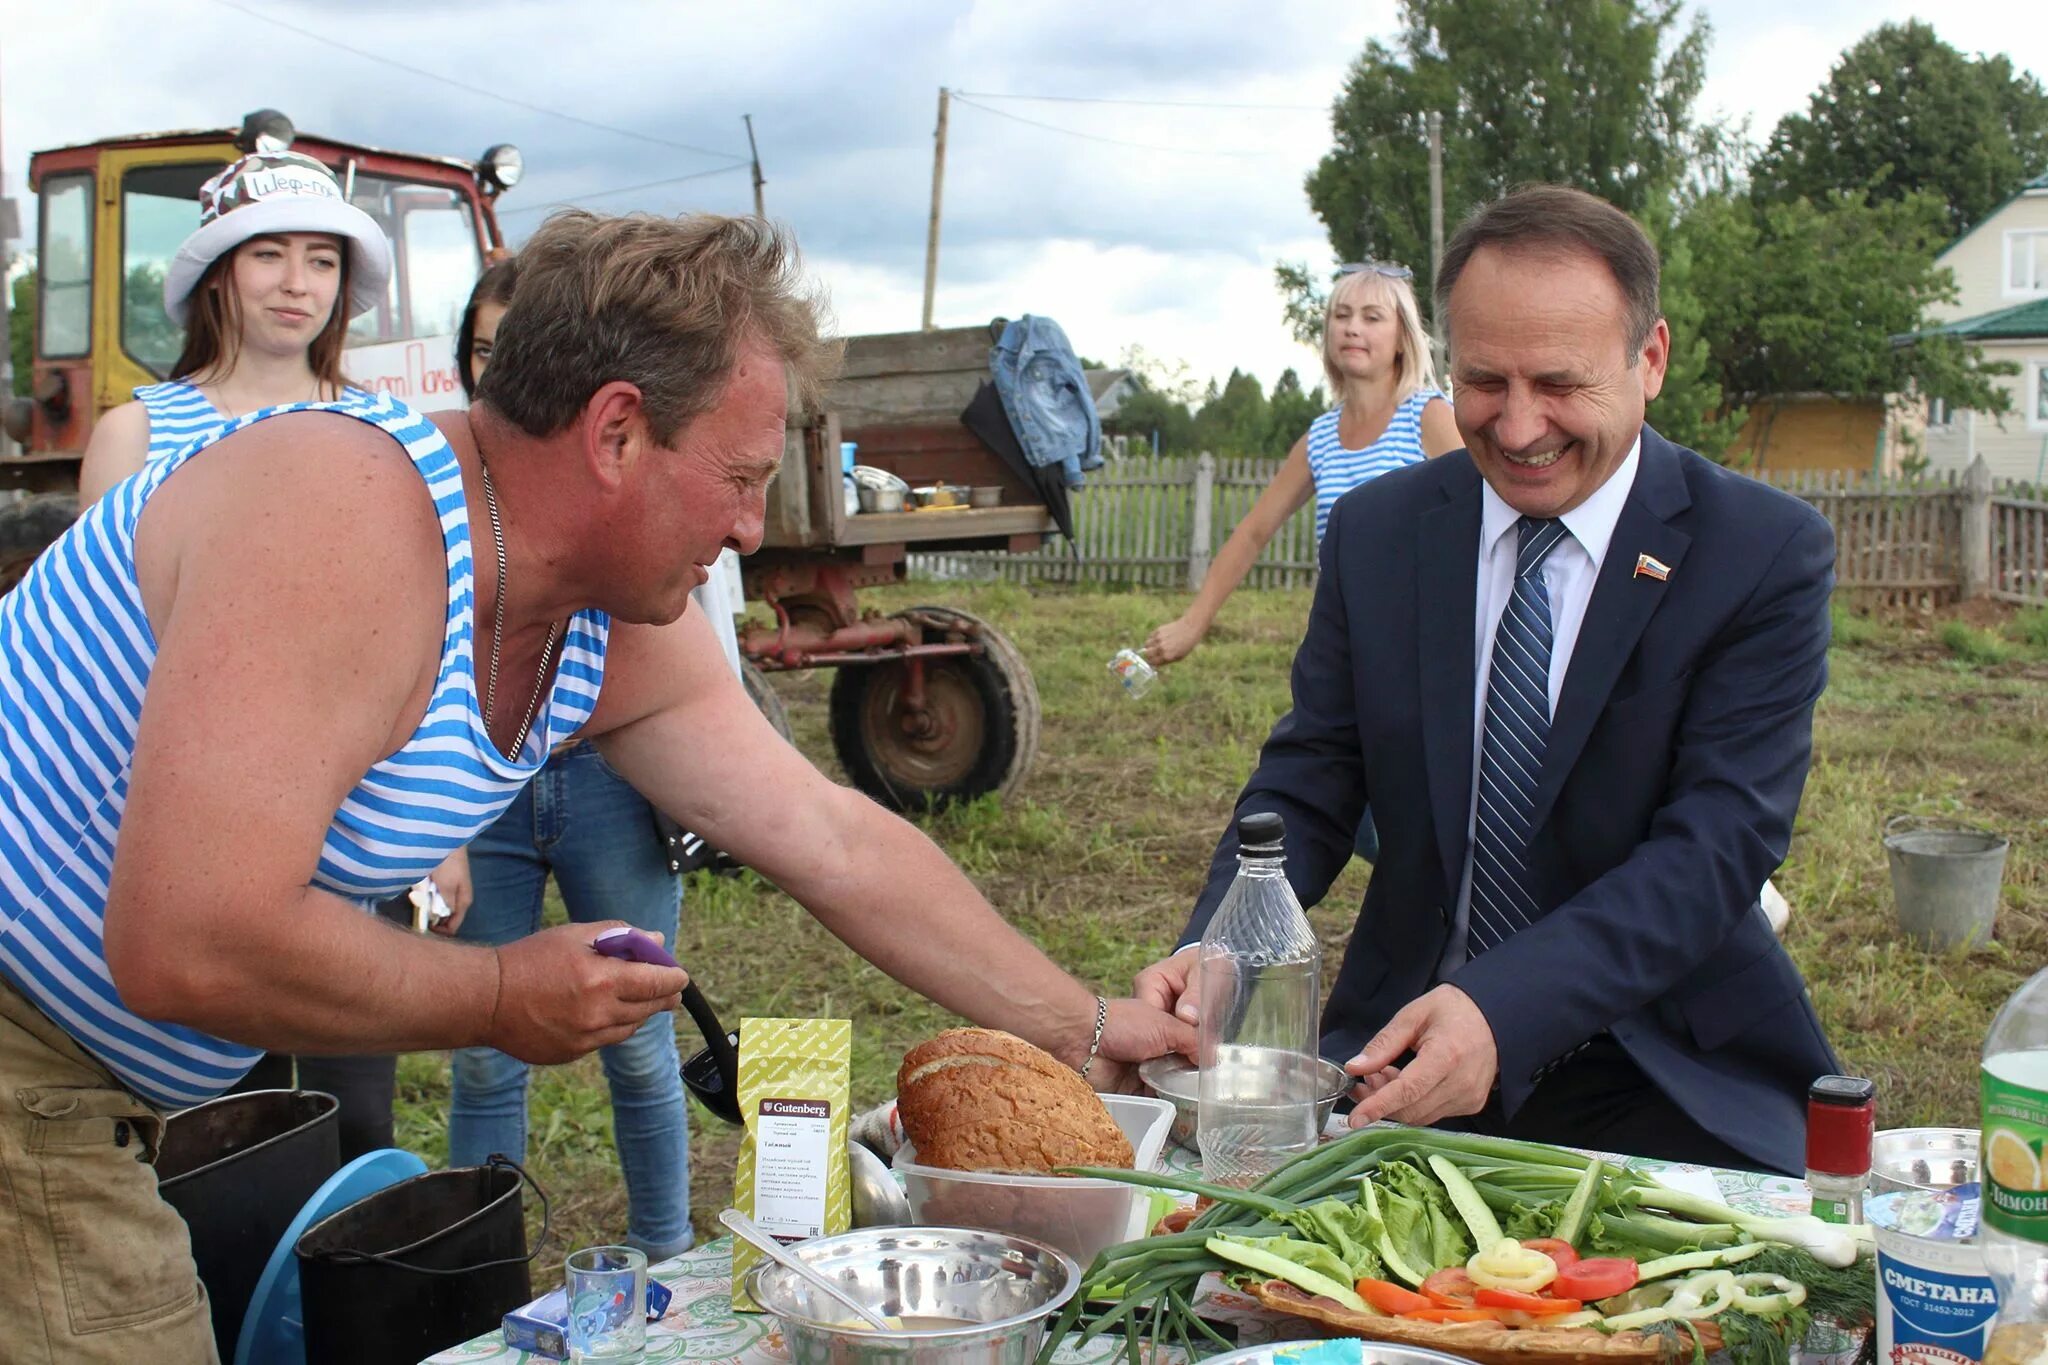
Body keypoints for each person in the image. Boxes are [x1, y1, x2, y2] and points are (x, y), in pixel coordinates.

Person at [0, 208, 1189, 1365]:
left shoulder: (601, 618)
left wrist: (1078, 1029)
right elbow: (186, 942)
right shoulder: (351, 514)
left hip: (99, 1076)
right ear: (616, 431)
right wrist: (500, 994)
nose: (745, 529)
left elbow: (828, 839)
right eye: (735, 477)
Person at [1134, 186, 1840, 1177]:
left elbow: (1718, 845)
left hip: (1661, 1062)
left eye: (1557, 384)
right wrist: (1223, 948)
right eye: (1481, 382)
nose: (1514, 430)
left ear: (1649, 360)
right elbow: (1314, 772)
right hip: (1401, 1048)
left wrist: (1503, 1009)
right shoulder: (1380, 534)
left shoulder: (1759, 554)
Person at [73, 148, 471, 1152]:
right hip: (192, 828)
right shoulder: (136, 436)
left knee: (354, 1115)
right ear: (218, 274)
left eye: (322, 262)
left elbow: (422, 641)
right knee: (212, 1131)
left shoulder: (388, 431)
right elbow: (100, 646)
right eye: (270, 257)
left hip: (348, 833)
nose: (298, 285)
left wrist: (442, 833)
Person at [445, 256, 695, 1261]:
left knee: (639, 1042)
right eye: (488, 354)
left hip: (605, 778)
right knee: (481, 1051)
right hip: (488, 800)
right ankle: (477, 1267)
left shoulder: (649, 515)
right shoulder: (438, 513)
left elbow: (695, 655)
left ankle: (666, 1255)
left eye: (525, 351)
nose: (510, 374)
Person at [1141, 262, 1459, 670]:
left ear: (1402, 338)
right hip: (1341, 639)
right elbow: (1252, 533)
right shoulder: (1321, 437)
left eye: (1372, 317)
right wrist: (1192, 622)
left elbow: (1483, 515)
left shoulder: (1428, 417)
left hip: (1418, 642)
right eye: (1341, 315)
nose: (1352, 327)